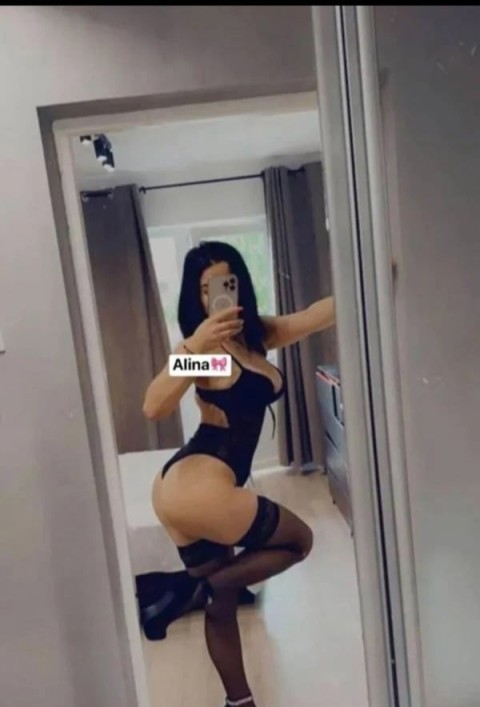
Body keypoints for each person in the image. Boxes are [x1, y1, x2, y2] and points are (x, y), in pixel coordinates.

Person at [143, 241, 335, 707]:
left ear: (239, 284)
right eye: (205, 288)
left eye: (225, 283)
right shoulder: (207, 355)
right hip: (201, 486)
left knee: (223, 603)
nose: (217, 295)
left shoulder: (254, 337)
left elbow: (314, 316)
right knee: (299, 541)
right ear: (195, 297)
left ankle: (239, 701)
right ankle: (193, 586)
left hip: (180, 489)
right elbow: (153, 405)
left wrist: (367, 274)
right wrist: (194, 345)